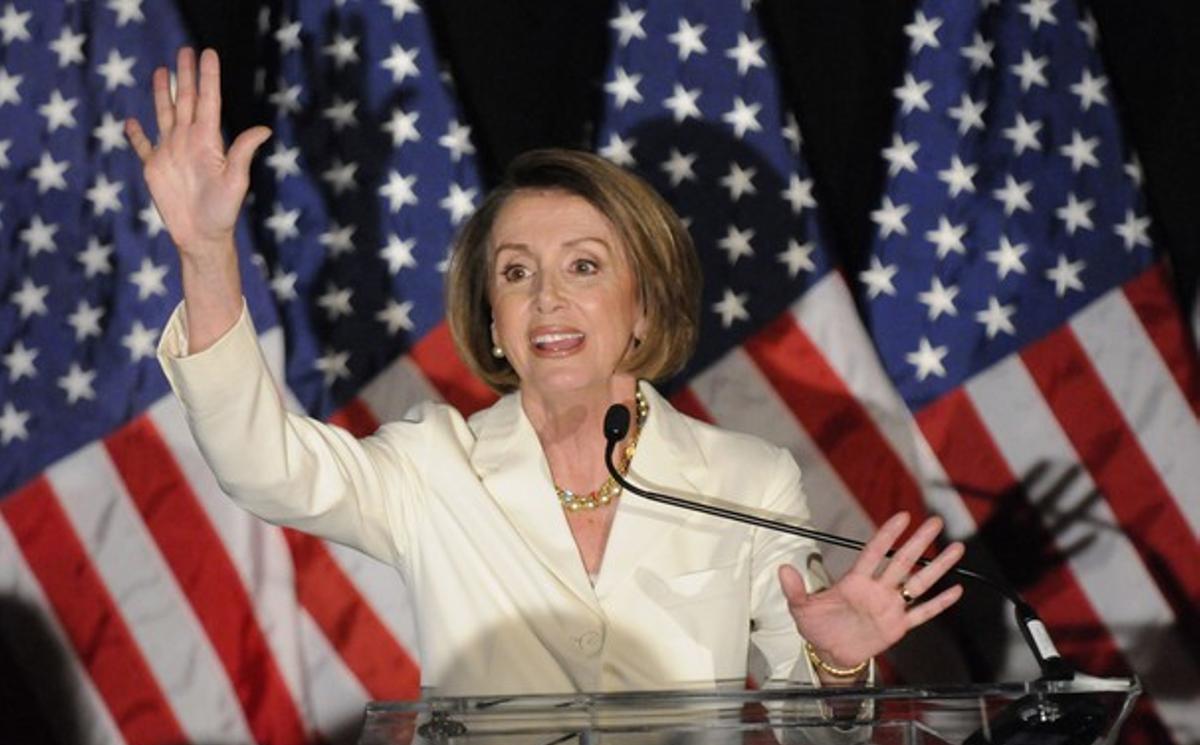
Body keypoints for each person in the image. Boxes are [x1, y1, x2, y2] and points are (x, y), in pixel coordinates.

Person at [125, 47, 965, 699]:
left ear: (644, 305)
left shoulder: (745, 480)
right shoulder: (432, 466)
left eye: (586, 268)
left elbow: (820, 737)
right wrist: (205, 254)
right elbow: (260, 466)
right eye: (517, 273)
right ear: (493, 317)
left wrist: (835, 662)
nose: (548, 299)